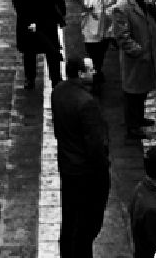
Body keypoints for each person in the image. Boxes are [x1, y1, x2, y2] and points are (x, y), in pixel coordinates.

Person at [50, 56, 110, 258]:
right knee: (87, 225)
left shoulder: (58, 91)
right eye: (90, 70)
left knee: (69, 219)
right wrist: (103, 175)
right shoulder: (87, 103)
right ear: (80, 73)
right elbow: (95, 146)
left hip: (67, 166)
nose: (94, 73)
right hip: (85, 172)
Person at [111, 0, 156, 141]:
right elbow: (122, 37)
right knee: (133, 94)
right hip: (136, 59)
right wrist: (138, 52)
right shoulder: (122, 7)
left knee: (142, 92)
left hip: (150, 54)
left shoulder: (145, 1)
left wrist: (153, 4)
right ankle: (132, 126)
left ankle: (140, 118)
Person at [11, 0, 65, 89]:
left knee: (53, 51)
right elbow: (18, 2)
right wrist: (28, 21)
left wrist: (59, 13)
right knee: (30, 52)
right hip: (31, 21)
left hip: (48, 18)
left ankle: (56, 78)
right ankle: (30, 78)